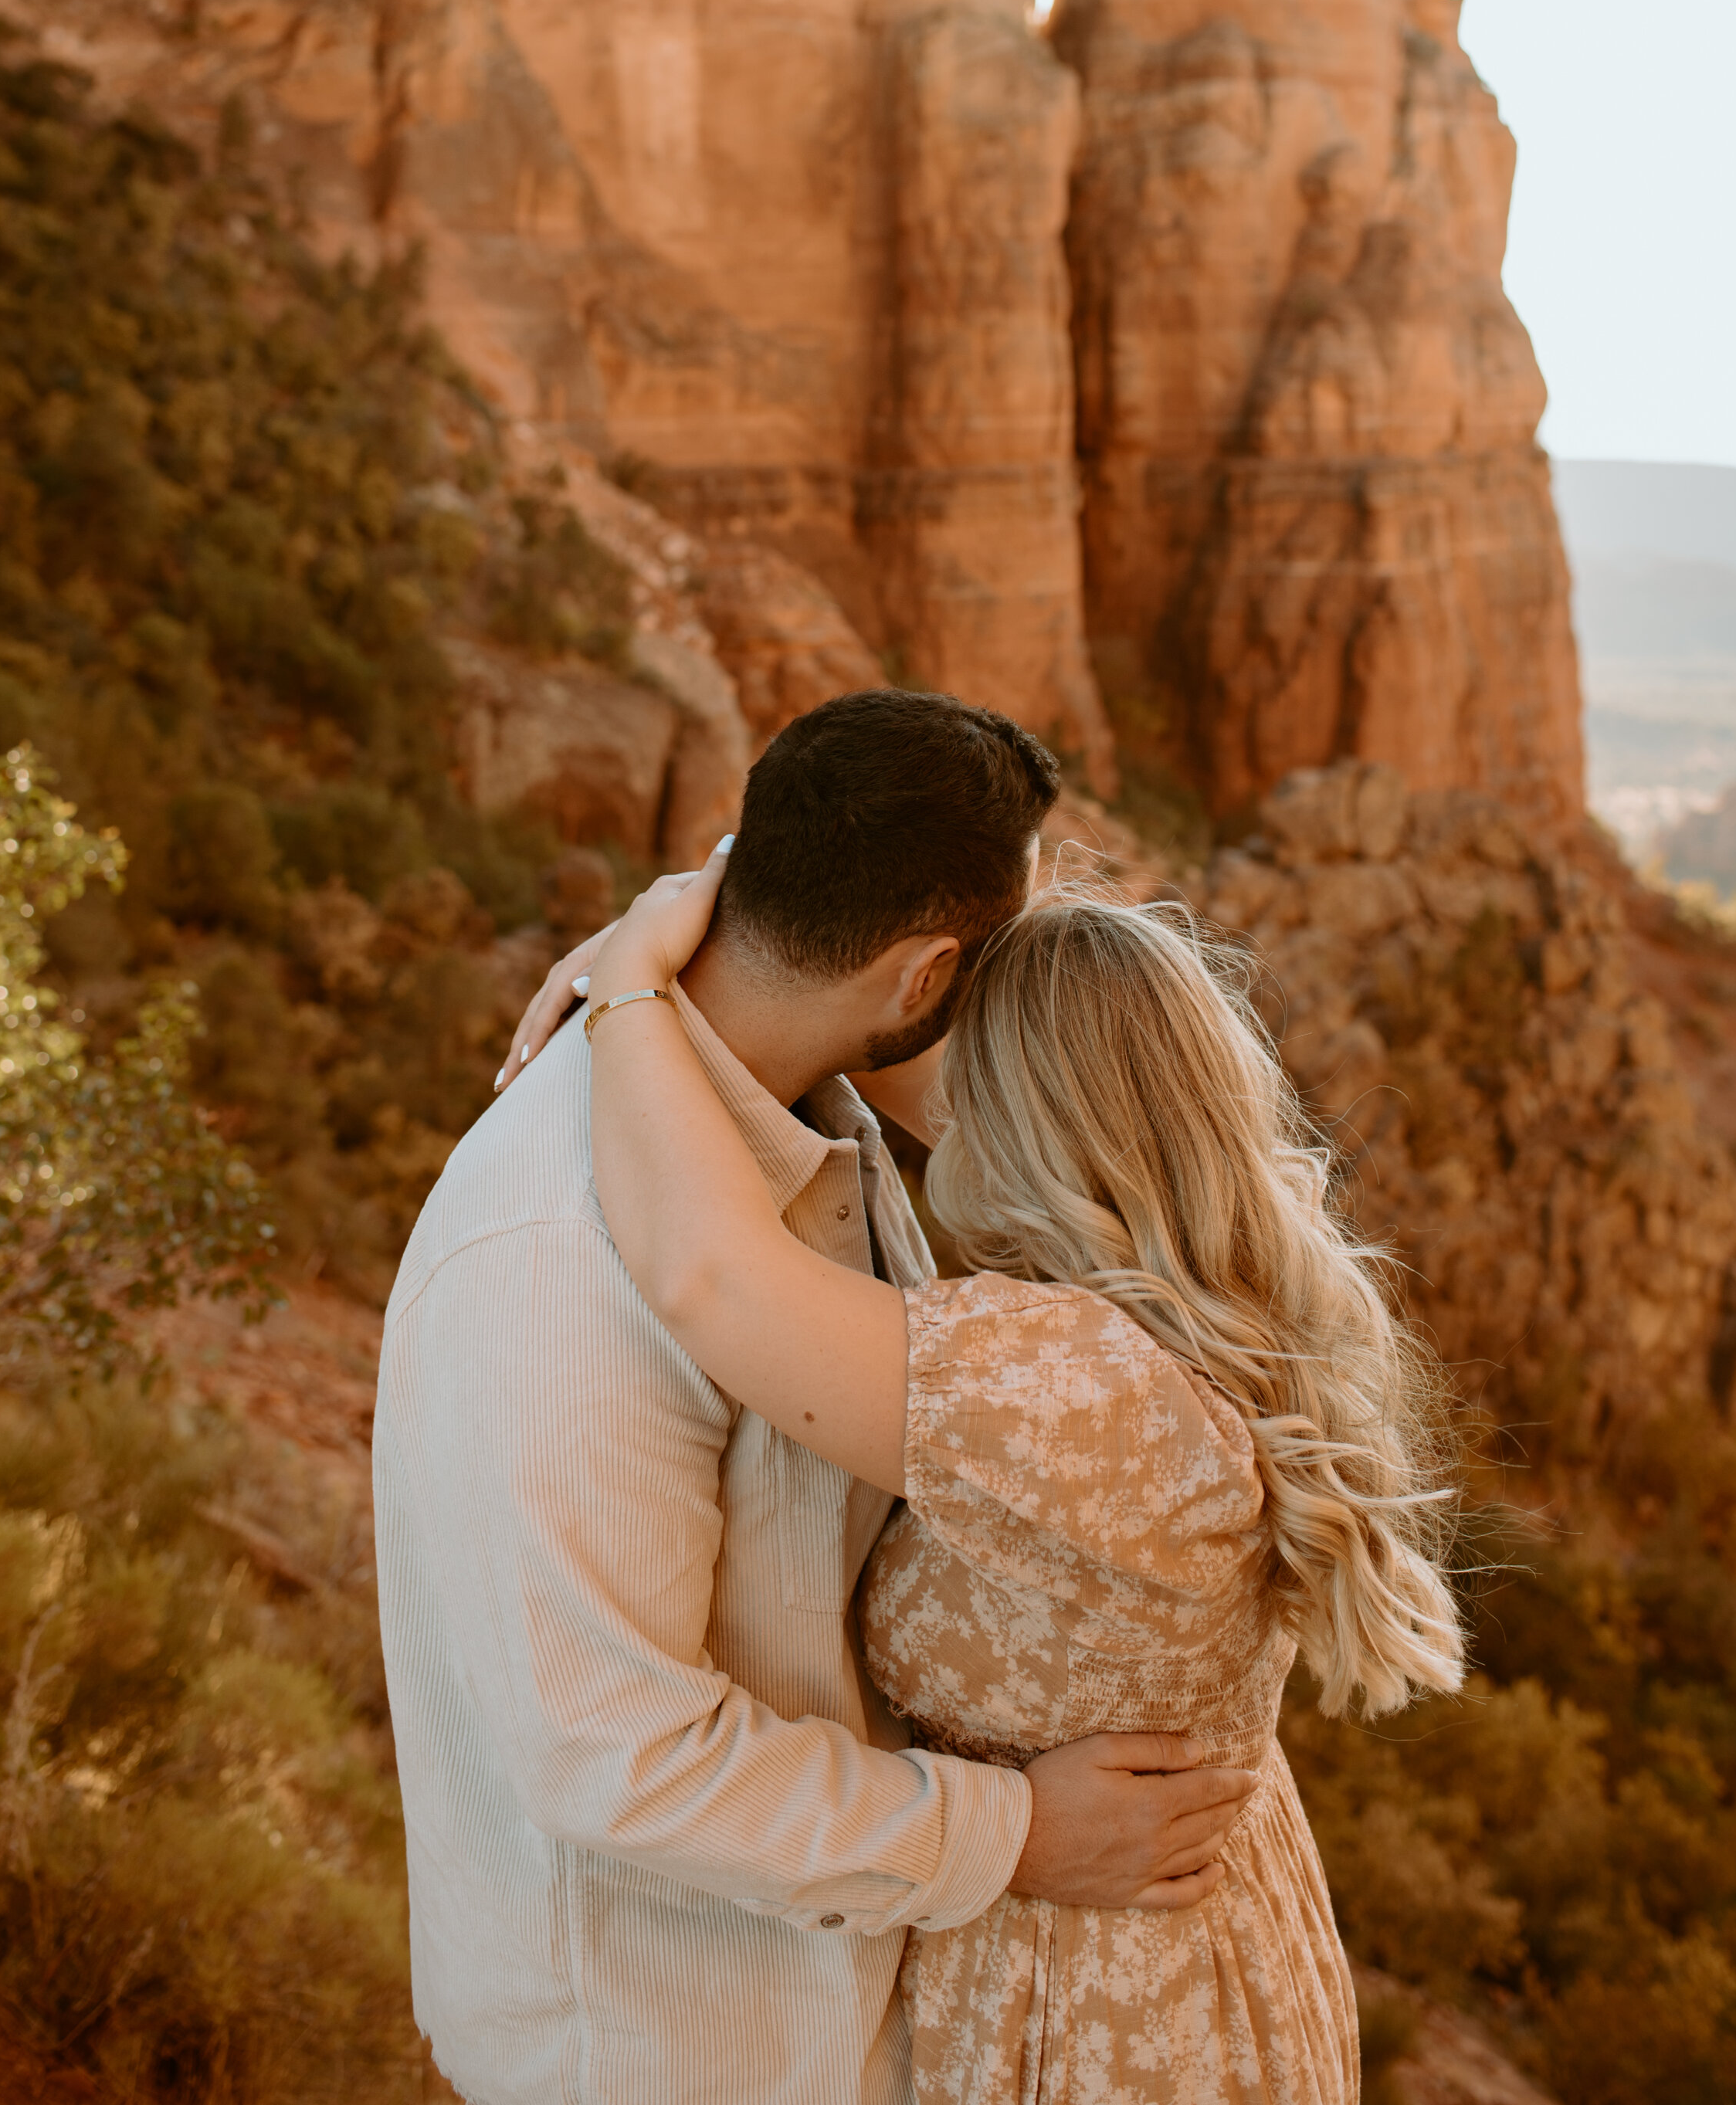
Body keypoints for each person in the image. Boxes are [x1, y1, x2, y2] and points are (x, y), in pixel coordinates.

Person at [373, 691, 1257, 2105]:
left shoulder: (815, 1109)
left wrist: (648, 950)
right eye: (990, 967)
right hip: (674, 2051)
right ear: (923, 977)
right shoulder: (550, 1258)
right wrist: (1015, 1834)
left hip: (843, 2013)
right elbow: (612, 1753)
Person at [575, 838, 1469, 2105]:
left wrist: (630, 984)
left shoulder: (1076, 1389)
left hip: (1096, 2000)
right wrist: (755, 938)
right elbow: (897, 1056)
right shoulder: (1223, 1302)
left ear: (1021, 1113)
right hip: (1209, 1955)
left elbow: (708, 1278)